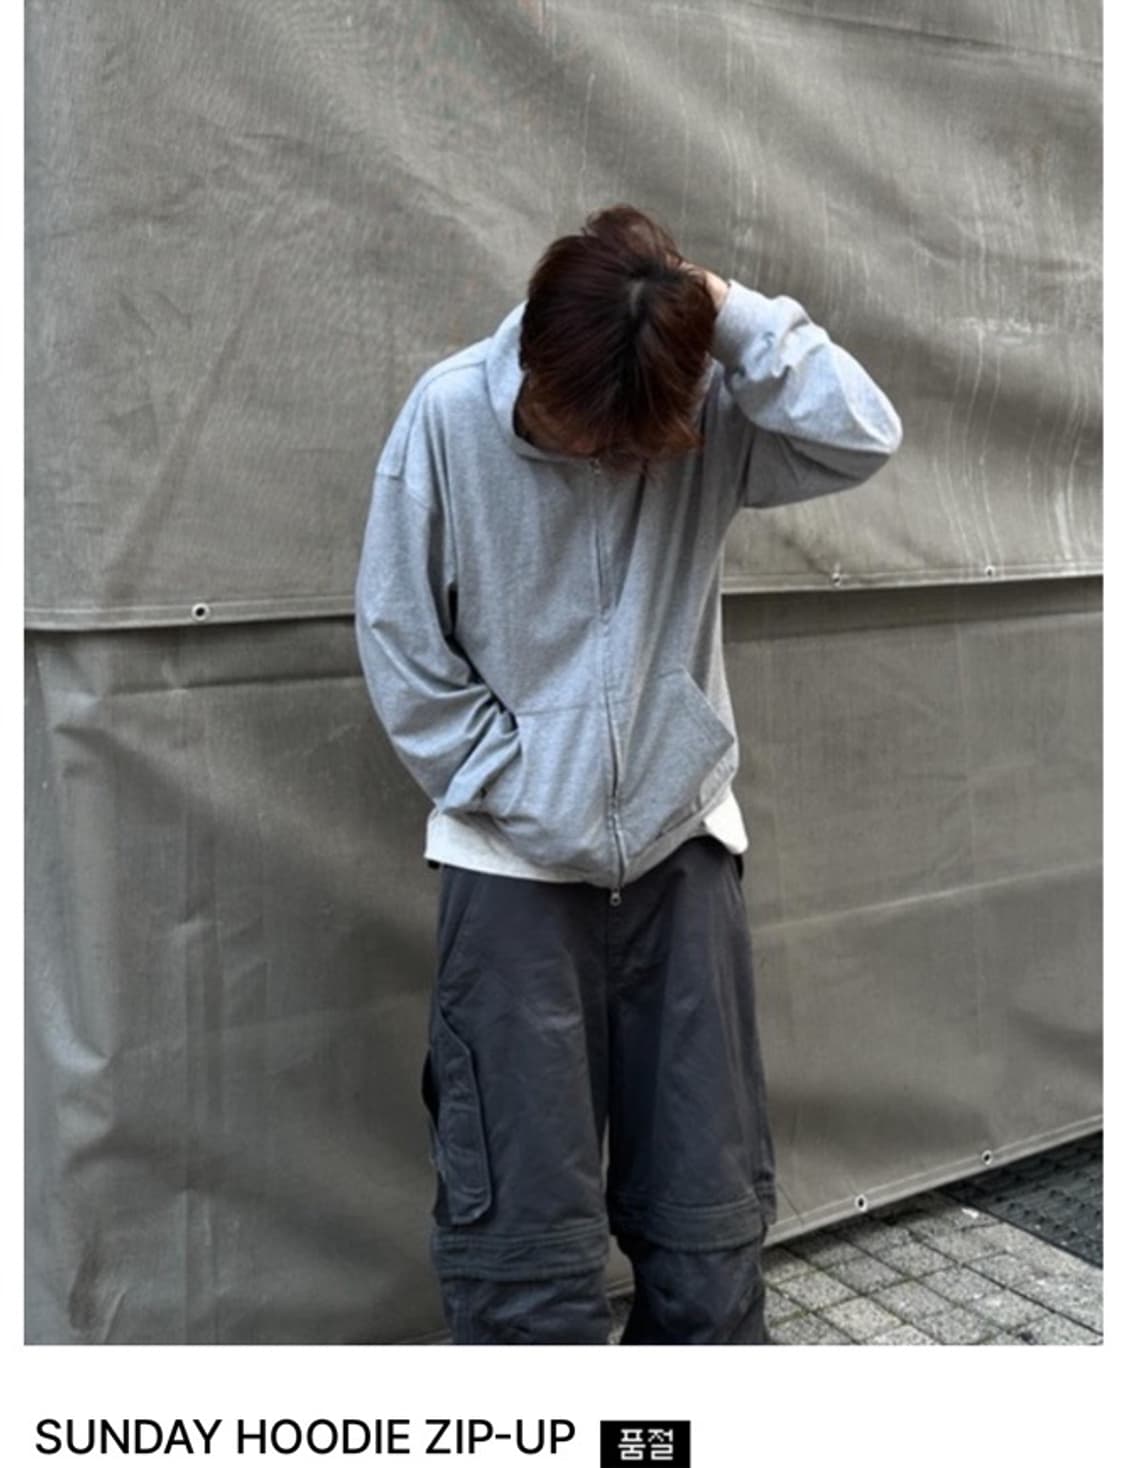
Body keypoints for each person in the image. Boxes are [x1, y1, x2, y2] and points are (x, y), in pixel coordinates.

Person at [354, 203, 903, 1344]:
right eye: (579, 435)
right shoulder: (447, 415)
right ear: (533, 357)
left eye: (630, 449)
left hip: (681, 853)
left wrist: (725, 312)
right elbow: (401, 639)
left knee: (708, 1230)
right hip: (509, 873)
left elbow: (862, 433)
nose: (605, 460)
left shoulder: (699, 407)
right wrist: (517, 781)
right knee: (524, 1250)